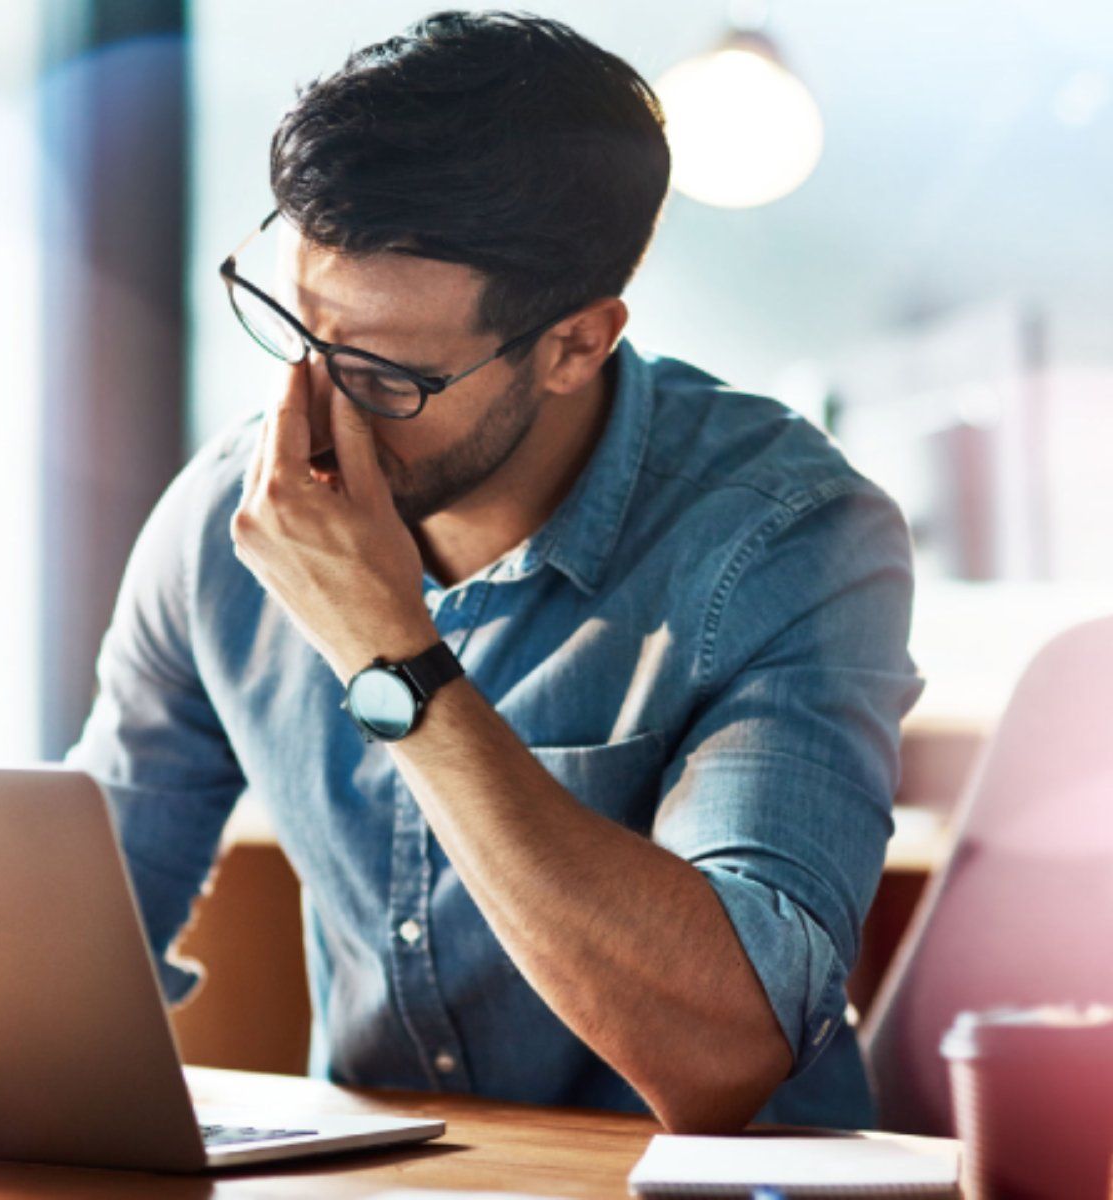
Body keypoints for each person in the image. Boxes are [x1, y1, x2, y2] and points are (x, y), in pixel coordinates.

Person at [66, 10, 923, 1132]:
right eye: (294, 328)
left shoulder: (791, 536)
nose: (311, 411)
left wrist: (391, 658)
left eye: (382, 374)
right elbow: (80, 926)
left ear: (576, 343)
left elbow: (726, 1053)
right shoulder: (228, 520)